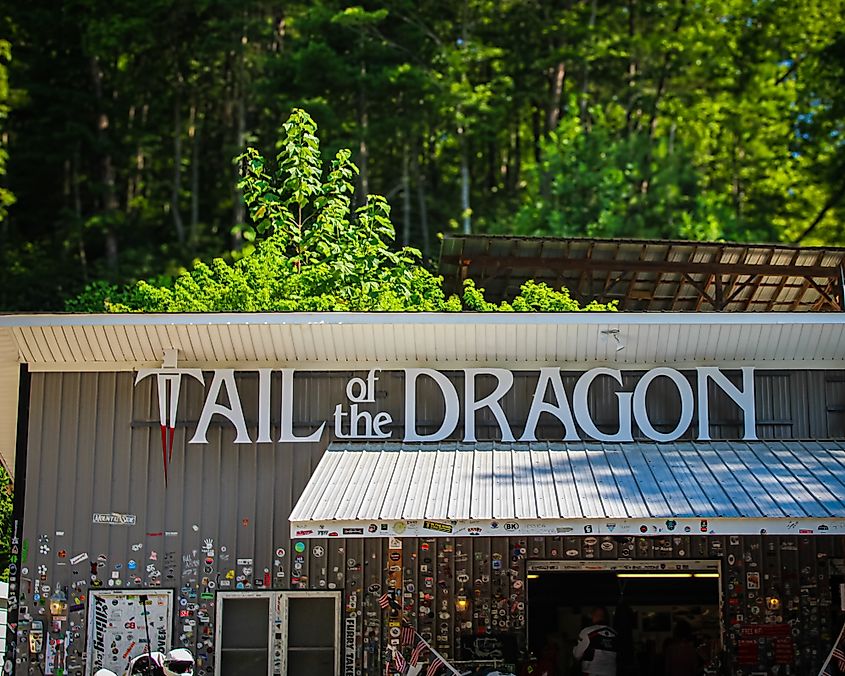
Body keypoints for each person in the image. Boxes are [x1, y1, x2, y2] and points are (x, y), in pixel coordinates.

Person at [572, 607, 618, 675]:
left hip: (592, 672)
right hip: (611, 672)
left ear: (594, 616)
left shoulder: (587, 632)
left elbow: (577, 655)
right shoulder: (615, 634)